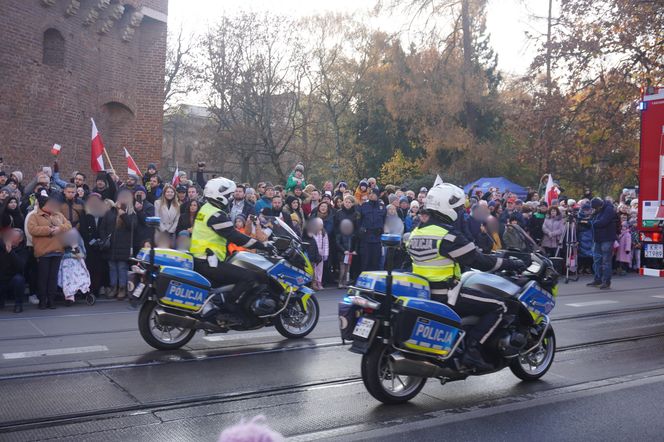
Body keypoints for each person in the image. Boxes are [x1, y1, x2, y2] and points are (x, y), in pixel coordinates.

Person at [405, 183, 525, 370]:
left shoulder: (416, 232)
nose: (460, 211)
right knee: (502, 306)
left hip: (425, 293)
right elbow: (480, 262)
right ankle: (473, 351)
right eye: (458, 208)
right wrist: (512, 263)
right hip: (448, 294)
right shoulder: (448, 235)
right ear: (447, 207)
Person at [190, 177, 273, 317]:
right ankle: (229, 307)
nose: (230, 198)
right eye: (228, 195)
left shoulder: (206, 208)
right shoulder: (216, 215)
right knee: (249, 277)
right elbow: (235, 236)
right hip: (209, 262)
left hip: (202, 258)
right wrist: (262, 245)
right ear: (219, 196)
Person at [27, 193, 72, 309]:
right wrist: (49, 230)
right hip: (43, 251)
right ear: (42, 205)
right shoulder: (34, 216)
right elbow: (32, 229)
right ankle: (43, 300)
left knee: (53, 277)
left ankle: (51, 300)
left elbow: (68, 225)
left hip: (57, 250)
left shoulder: (58, 214)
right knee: (43, 277)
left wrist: (59, 228)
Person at [588, 197, 617, 289]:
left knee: (606, 261)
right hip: (598, 238)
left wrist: (592, 222)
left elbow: (603, 222)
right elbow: (594, 220)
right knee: (597, 260)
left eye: (595, 208)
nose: (594, 210)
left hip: (607, 238)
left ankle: (606, 281)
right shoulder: (599, 209)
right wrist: (592, 220)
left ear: (599, 206)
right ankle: (598, 279)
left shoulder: (609, 209)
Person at [0, 228, 28, 313]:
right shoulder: (1, 246)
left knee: (19, 280)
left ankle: (18, 304)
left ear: (20, 239)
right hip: (1, 277)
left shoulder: (24, 251)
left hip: (12, 278)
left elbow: (20, 266)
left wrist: (10, 251)